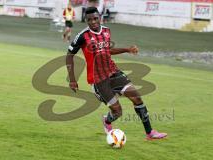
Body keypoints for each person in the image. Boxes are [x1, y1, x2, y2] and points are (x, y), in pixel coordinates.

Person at [66, 7, 167, 140]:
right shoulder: (82, 36)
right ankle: (107, 121)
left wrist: (127, 49)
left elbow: (107, 50)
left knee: (137, 98)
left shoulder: (107, 31)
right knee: (117, 112)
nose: (93, 22)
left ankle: (150, 133)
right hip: (99, 80)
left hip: (114, 72)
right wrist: (72, 79)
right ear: (86, 20)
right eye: (89, 20)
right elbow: (69, 56)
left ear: (100, 17)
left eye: (95, 18)